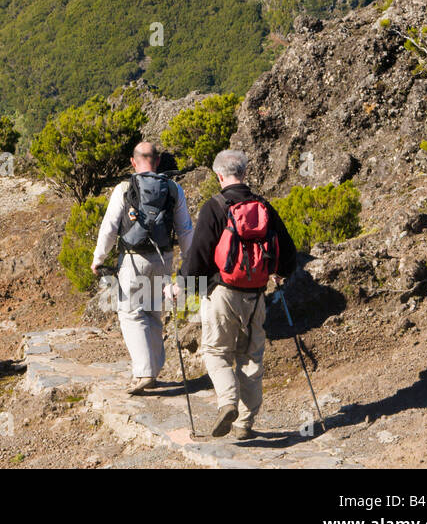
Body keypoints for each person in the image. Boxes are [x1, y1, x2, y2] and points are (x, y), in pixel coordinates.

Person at [180, 148, 298, 439]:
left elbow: (199, 255)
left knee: (216, 352)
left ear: (219, 175)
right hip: (257, 294)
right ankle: (245, 423)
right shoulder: (263, 206)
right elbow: (288, 252)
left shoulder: (215, 206)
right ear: (244, 173)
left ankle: (227, 401)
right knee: (251, 357)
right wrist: (281, 273)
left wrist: (185, 287)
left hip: (222, 293)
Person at [92, 141, 194, 394]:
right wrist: (188, 264)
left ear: (133, 161)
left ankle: (144, 372)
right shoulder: (173, 188)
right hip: (164, 256)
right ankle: (154, 369)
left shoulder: (125, 188)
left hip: (133, 258)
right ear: (158, 161)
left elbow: (110, 227)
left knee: (130, 312)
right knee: (153, 312)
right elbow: (185, 229)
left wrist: (99, 258)